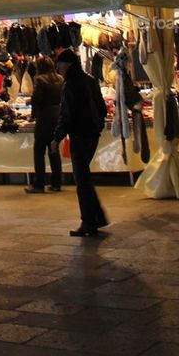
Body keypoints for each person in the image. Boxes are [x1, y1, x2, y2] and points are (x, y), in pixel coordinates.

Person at [50, 48, 108, 236]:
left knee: (82, 180)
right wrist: (97, 127)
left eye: (59, 63)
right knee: (85, 178)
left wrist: (57, 138)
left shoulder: (71, 84)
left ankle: (89, 222)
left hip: (80, 136)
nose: (57, 67)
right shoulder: (90, 81)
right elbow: (102, 108)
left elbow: (67, 114)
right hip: (91, 135)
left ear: (68, 64)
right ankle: (97, 218)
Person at [26, 56, 63, 193]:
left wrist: (32, 115)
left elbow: (37, 100)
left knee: (39, 151)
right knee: (54, 150)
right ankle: (56, 183)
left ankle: (38, 184)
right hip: (57, 116)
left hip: (45, 118)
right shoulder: (60, 78)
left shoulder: (40, 80)